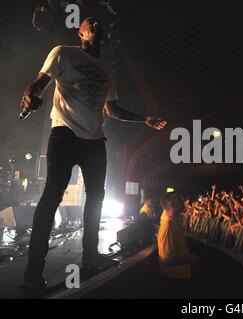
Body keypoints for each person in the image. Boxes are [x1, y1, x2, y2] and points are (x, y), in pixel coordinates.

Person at [20, 17, 167, 290]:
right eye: (90, 22)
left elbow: (113, 110)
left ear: (105, 36)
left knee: (96, 198)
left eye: (98, 22)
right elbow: (41, 81)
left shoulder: (106, 71)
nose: (95, 23)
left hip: (95, 140)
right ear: (81, 32)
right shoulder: (64, 52)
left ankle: (91, 256)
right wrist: (31, 94)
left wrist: (144, 118)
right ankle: (33, 270)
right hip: (64, 133)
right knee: (52, 195)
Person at [157, 193, 199, 297]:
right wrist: (190, 258)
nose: (182, 201)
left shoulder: (172, 219)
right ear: (172, 204)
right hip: (174, 279)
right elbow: (167, 261)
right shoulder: (169, 226)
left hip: (179, 276)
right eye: (178, 199)